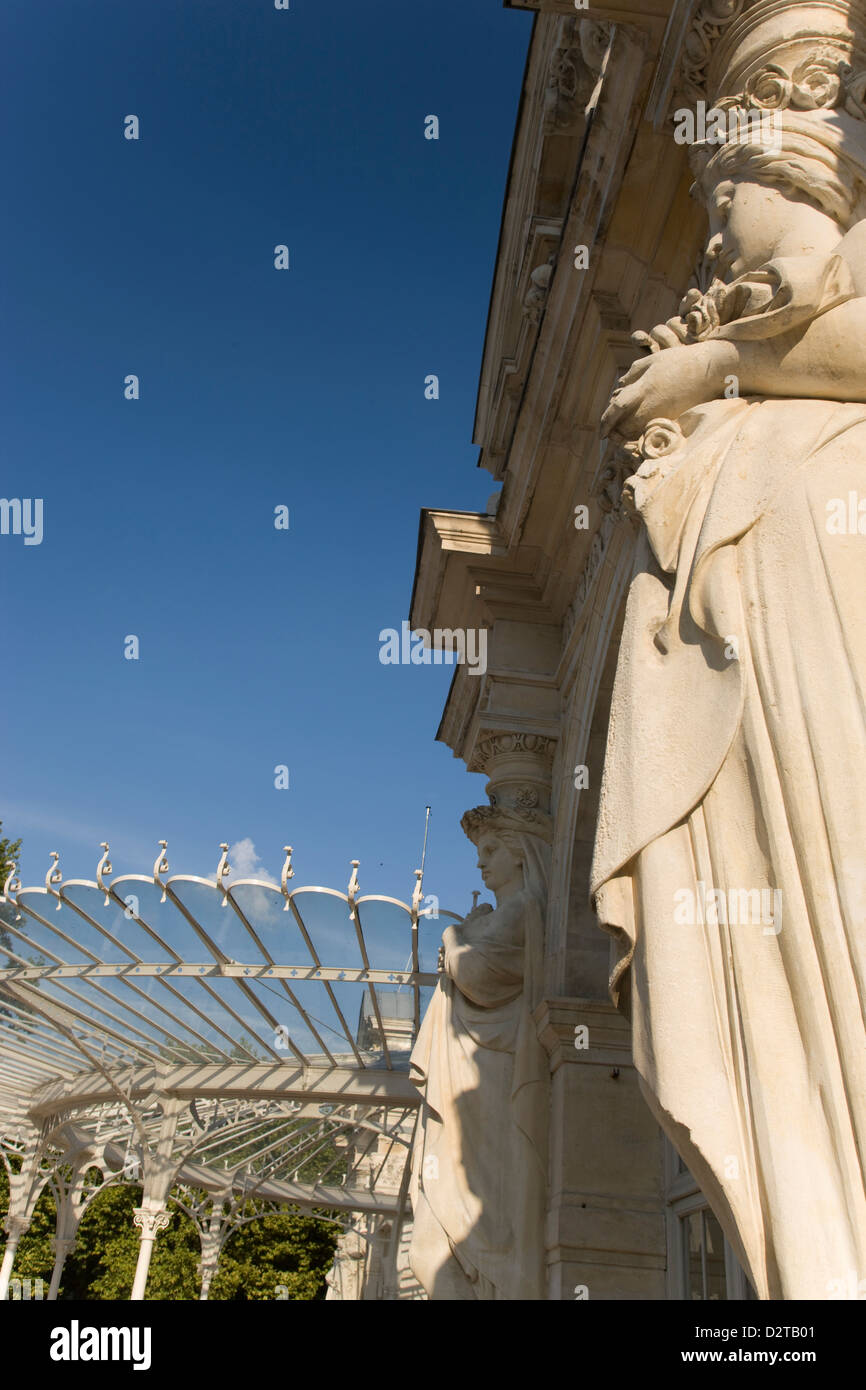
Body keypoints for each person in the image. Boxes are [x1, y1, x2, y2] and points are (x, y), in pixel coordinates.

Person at [593, 104, 866, 1298]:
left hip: (821, 634)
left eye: (725, 205)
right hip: (767, 659)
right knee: (752, 995)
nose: (712, 244)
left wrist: (712, 363)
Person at [408, 803, 550, 1299]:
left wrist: (452, 935)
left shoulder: (522, 909)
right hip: (476, 1072)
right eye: (479, 853)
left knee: (441, 1243)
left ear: (520, 853)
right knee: (429, 1247)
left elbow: (478, 974)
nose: (480, 863)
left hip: (491, 1079)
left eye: (491, 850)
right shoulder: (495, 914)